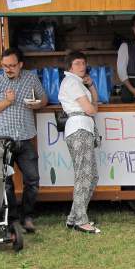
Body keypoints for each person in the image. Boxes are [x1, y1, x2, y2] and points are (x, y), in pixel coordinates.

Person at [0, 47, 47, 232]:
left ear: (20, 64)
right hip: (3, 140)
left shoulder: (31, 78)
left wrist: (37, 104)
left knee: (33, 180)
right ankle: (12, 220)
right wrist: (7, 102)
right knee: (7, 182)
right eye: (5, 66)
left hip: (25, 137)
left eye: (12, 65)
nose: (8, 69)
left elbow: (44, 98)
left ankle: (27, 217)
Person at [58, 51, 101, 234]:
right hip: (79, 128)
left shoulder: (78, 83)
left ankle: (73, 218)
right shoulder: (71, 82)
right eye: (77, 63)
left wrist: (91, 86)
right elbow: (91, 109)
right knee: (84, 176)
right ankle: (81, 220)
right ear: (69, 67)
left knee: (91, 176)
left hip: (83, 127)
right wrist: (93, 108)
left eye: (83, 63)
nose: (82, 66)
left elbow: (94, 105)